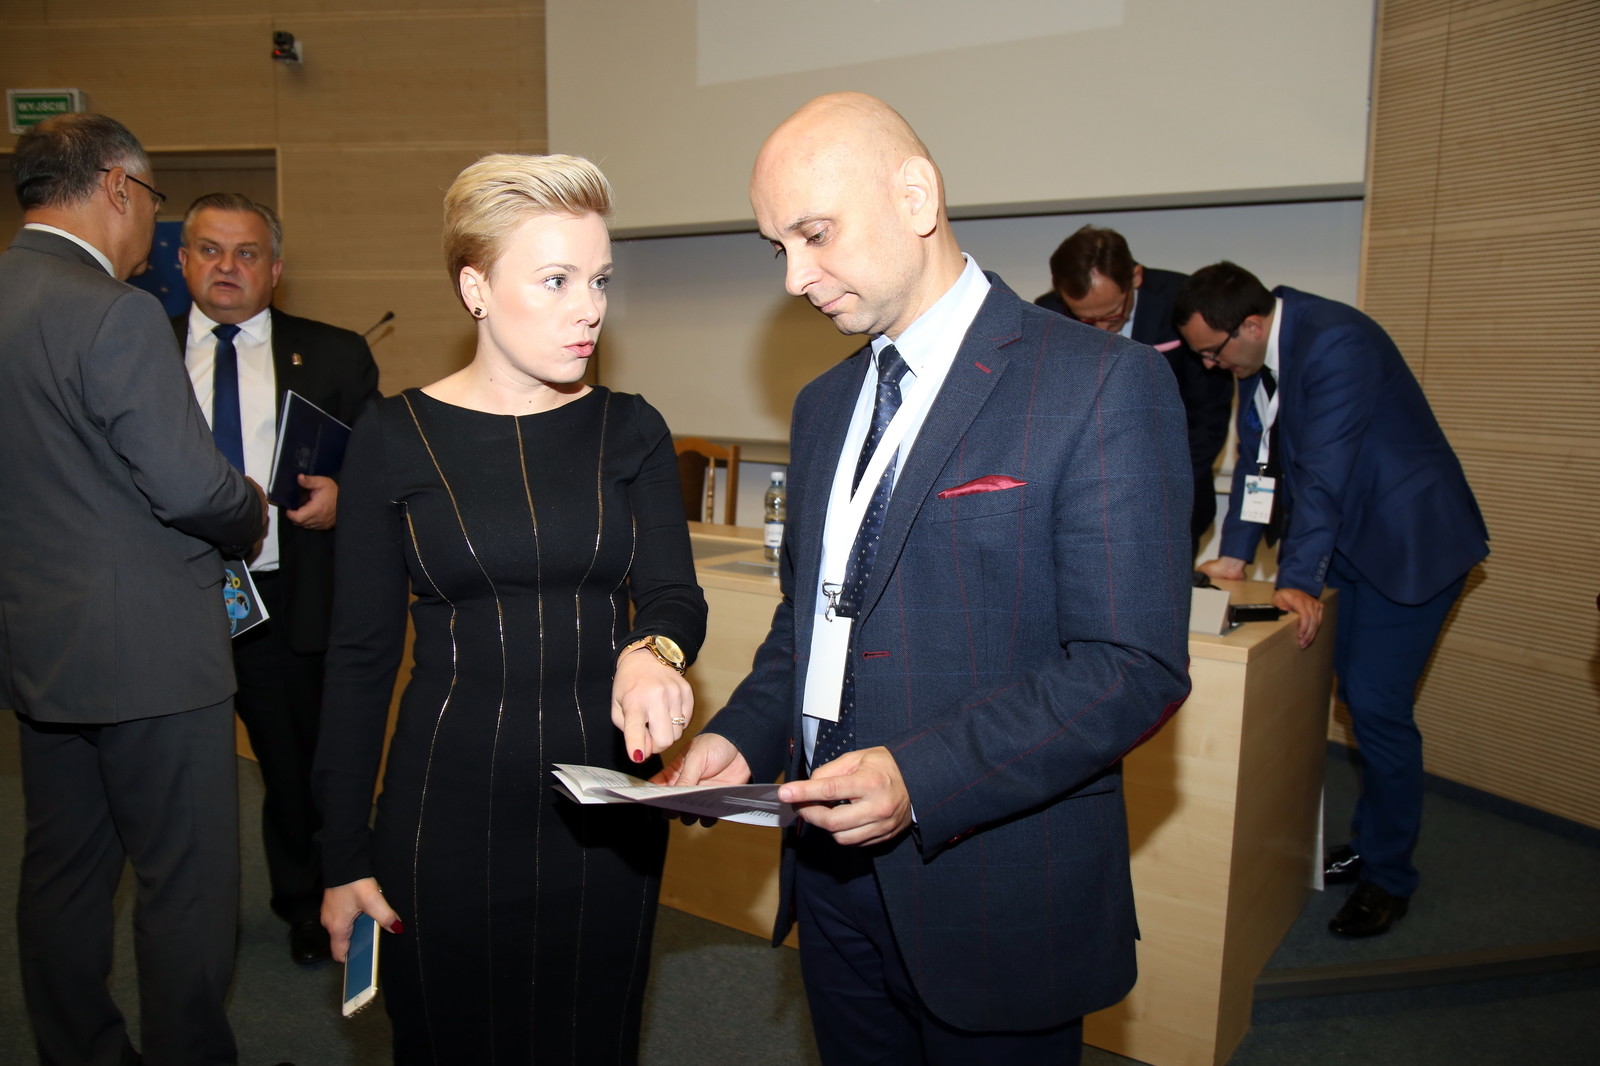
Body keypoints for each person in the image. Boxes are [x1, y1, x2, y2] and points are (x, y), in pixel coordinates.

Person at [664, 93, 1193, 1064]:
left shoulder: (1098, 382)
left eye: (815, 234)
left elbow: (1129, 665)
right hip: (827, 879)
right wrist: (743, 735)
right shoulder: (823, 405)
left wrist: (922, 777)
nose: (794, 278)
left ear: (916, 196)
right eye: (777, 247)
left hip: (992, 885)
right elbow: (813, 621)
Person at [313, 153, 707, 1064]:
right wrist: (341, 856)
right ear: (476, 289)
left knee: (591, 1042)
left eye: (600, 280)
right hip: (444, 807)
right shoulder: (393, 436)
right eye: (557, 280)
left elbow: (674, 596)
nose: (590, 308)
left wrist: (653, 649)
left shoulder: (632, 427)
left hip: (604, 809)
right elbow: (361, 659)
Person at [0, 114, 266, 1066]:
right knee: (183, 883)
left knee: (63, 872)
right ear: (117, 187)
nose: (151, 223)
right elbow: (191, 488)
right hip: (153, 655)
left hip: (38, 648)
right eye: (154, 200)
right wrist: (252, 505)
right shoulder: (113, 311)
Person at [1174, 261, 1488, 938]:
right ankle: (1371, 844)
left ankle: (1390, 876)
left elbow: (1322, 473)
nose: (1208, 365)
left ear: (1249, 325)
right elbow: (1257, 456)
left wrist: (1297, 578)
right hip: (1355, 542)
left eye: (1212, 352)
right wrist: (1235, 550)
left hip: (1412, 545)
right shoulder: (1259, 355)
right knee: (1356, 698)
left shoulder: (1336, 341)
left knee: (1377, 706)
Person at [176, 192, 381, 965]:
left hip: (284, 595)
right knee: (174, 772)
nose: (227, 266)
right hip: (171, 596)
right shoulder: (137, 348)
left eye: (247, 252)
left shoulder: (334, 353)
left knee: (296, 767)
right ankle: (185, 912)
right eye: (210, 249)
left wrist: (345, 496)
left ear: (276, 268)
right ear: (183, 260)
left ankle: (308, 904)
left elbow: (381, 463)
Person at [1035, 225, 1235, 556]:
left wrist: (1172, 485)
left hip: (1172, 491)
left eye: (1112, 315)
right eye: (1086, 321)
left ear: (1136, 277)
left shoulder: (1182, 304)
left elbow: (1208, 413)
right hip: (1082, 503)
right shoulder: (1048, 315)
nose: (1102, 330)